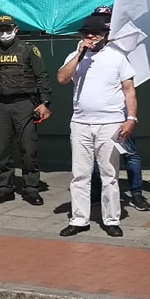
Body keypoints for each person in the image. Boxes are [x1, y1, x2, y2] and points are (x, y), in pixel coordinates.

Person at [56, 14, 138, 238]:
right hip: (80, 123)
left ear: (105, 35)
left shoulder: (117, 57)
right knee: (79, 174)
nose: (91, 37)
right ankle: (79, 219)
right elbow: (62, 78)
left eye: (96, 33)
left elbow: (129, 89)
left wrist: (131, 118)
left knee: (109, 174)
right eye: (86, 33)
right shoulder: (75, 55)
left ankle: (111, 219)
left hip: (110, 123)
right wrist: (80, 54)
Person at [0, 16, 52, 206]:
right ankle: (4, 188)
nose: (4, 33)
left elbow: (42, 77)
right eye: (0, 30)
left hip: (24, 104)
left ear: (16, 30)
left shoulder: (28, 50)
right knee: (1, 148)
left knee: (28, 147)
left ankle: (31, 188)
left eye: (7, 29)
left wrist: (45, 102)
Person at [87, 5, 150, 212]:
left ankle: (136, 193)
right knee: (98, 155)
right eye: (98, 19)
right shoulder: (89, 42)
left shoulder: (125, 39)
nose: (102, 23)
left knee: (129, 153)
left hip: (120, 108)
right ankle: (97, 192)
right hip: (97, 110)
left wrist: (131, 116)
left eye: (106, 19)